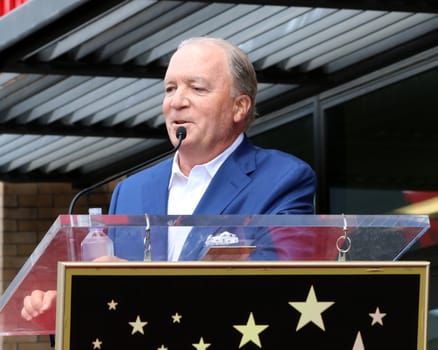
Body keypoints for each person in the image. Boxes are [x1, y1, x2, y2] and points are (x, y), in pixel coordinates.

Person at [21, 37, 316, 322]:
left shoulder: (282, 179)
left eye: (197, 88)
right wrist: (67, 309)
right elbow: (108, 304)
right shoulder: (131, 191)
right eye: (170, 88)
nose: (176, 102)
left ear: (239, 107)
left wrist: (142, 284)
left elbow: (281, 288)